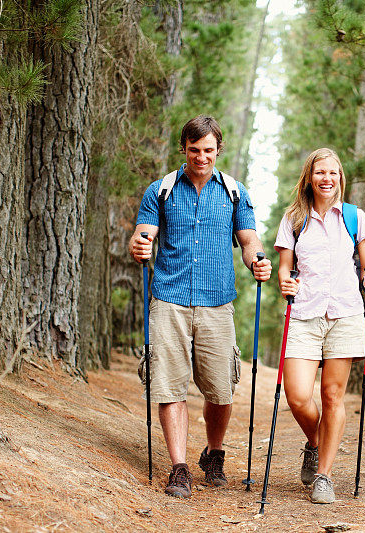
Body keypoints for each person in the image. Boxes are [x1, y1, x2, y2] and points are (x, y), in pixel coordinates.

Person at [129, 115, 271, 499]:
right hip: (169, 300)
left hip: (217, 302)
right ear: (184, 148)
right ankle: (179, 467)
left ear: (218, 150)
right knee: (169, 385)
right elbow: (143, 234)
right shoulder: (161, 190)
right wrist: (140, 245)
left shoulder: (234, 193)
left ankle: (213, 452)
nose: (201, 157)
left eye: (209, 150)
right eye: (195, 150)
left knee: (221, 390)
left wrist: (258, 259)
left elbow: (248, 240)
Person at [273, 147, 365, 504]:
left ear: (340, 177)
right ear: (309, 177)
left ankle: (324, 475)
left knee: (332, 396)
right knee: (299, 396)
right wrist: (285, 281)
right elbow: (285, 268)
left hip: (346, 314)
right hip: (304, 314)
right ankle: (315, 443)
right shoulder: (293, 218)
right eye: (320, 172)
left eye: (333, 173)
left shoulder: (354, 217)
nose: (327, 179)